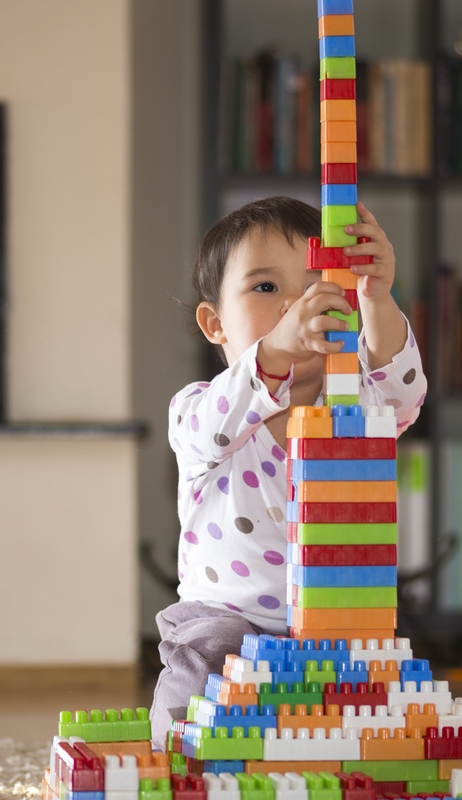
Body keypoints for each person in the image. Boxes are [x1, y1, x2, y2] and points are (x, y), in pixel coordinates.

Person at [149, 196, 427, 750]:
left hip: (336, 624)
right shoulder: (200, 410)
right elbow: (215, 423)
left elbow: (404, 389)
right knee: (200, 680)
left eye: (316, 286)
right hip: (226, 619)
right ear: (214, 324)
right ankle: (178, 760)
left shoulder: (354, 407)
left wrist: (375, 295)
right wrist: (274, 350)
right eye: (266, 288)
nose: (298, 306)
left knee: (390, 682)